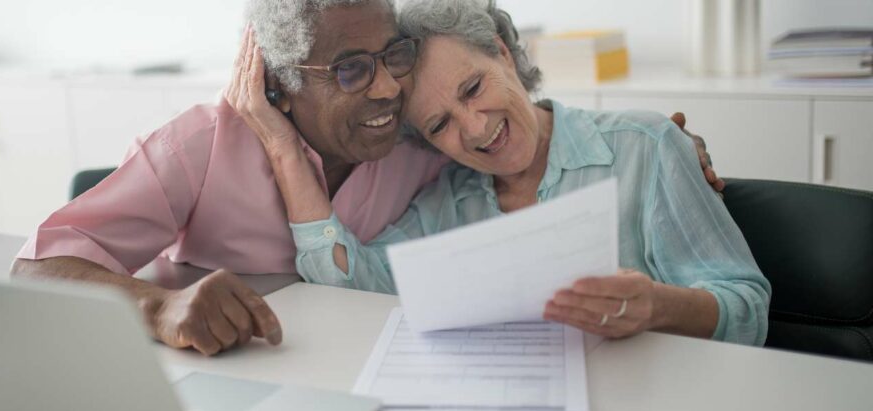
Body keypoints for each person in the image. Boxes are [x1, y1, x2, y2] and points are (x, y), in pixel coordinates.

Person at [12, 0, 724, 356]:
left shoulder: (420, 145)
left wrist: (660, 139)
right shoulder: (201, 145)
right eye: (352, 70)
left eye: (394, 57)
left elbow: (514, 128)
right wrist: (156, 307)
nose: (386, 88)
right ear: (282, 83)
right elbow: (36, 269)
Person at [234, 0, 769, 345]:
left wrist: (657, 306)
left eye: (473, 88)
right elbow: (353, 283)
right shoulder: (450, 199)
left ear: (503, 55)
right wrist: (283, 148)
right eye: (440, 124)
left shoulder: (645, 147)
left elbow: (746, 308)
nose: (473, 129)